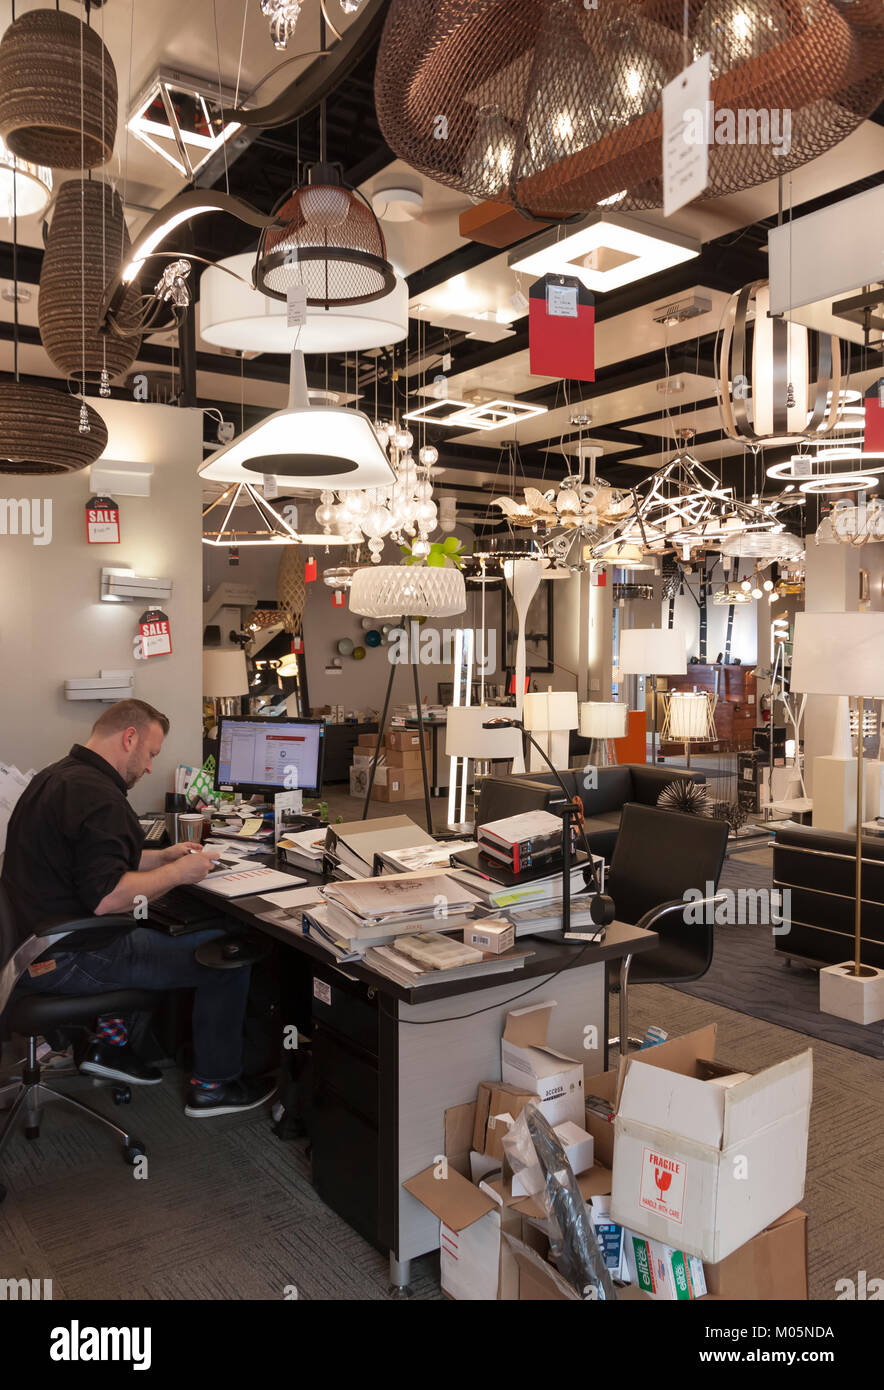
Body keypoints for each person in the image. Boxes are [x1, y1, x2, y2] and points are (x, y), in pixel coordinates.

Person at [1, 699, 276, 1118]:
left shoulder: (57, 777)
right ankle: (214, 1087)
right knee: (226, 953)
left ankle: (110, 1045)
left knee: (153, 930)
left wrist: (163, 858)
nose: (149, 767)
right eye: (150, 753)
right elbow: (108, 896)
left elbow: (92, 864)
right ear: (129, 737)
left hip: (34, 947)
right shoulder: (100, 797)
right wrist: (181, 874)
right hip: (69, 956)